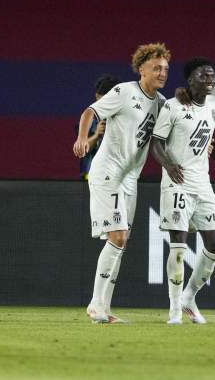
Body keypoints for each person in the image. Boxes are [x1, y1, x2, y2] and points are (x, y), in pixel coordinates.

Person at [73, 43, 170, 323]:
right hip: (108, 173)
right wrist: (82, 138)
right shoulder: (124, 92)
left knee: (120, 243)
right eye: (156, 67)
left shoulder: (162, 103)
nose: (162, 72)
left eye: (165, 68)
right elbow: (90, 112)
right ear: (142, 69)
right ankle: (95, 304)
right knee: (118, 237)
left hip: (130, 179)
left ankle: (103, 309)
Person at [150, 57, 215, 325]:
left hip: (203, 184)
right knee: (178, 247)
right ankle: (174, 309)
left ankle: (189, 297)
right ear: (190, 79)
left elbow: (208, 139)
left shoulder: (214, 105)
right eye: (203, 75)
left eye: (211, 76)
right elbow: (157, 142)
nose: (209, 79)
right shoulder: (172, 107)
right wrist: (169, 165)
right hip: (177, 184)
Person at [76, 74, 120, 179]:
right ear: (97, 96)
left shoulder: (124, 120)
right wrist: (96, 135)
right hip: (92, 176)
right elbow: (81, 151)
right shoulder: (87, 122)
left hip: (117, 176)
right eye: (103, 99)